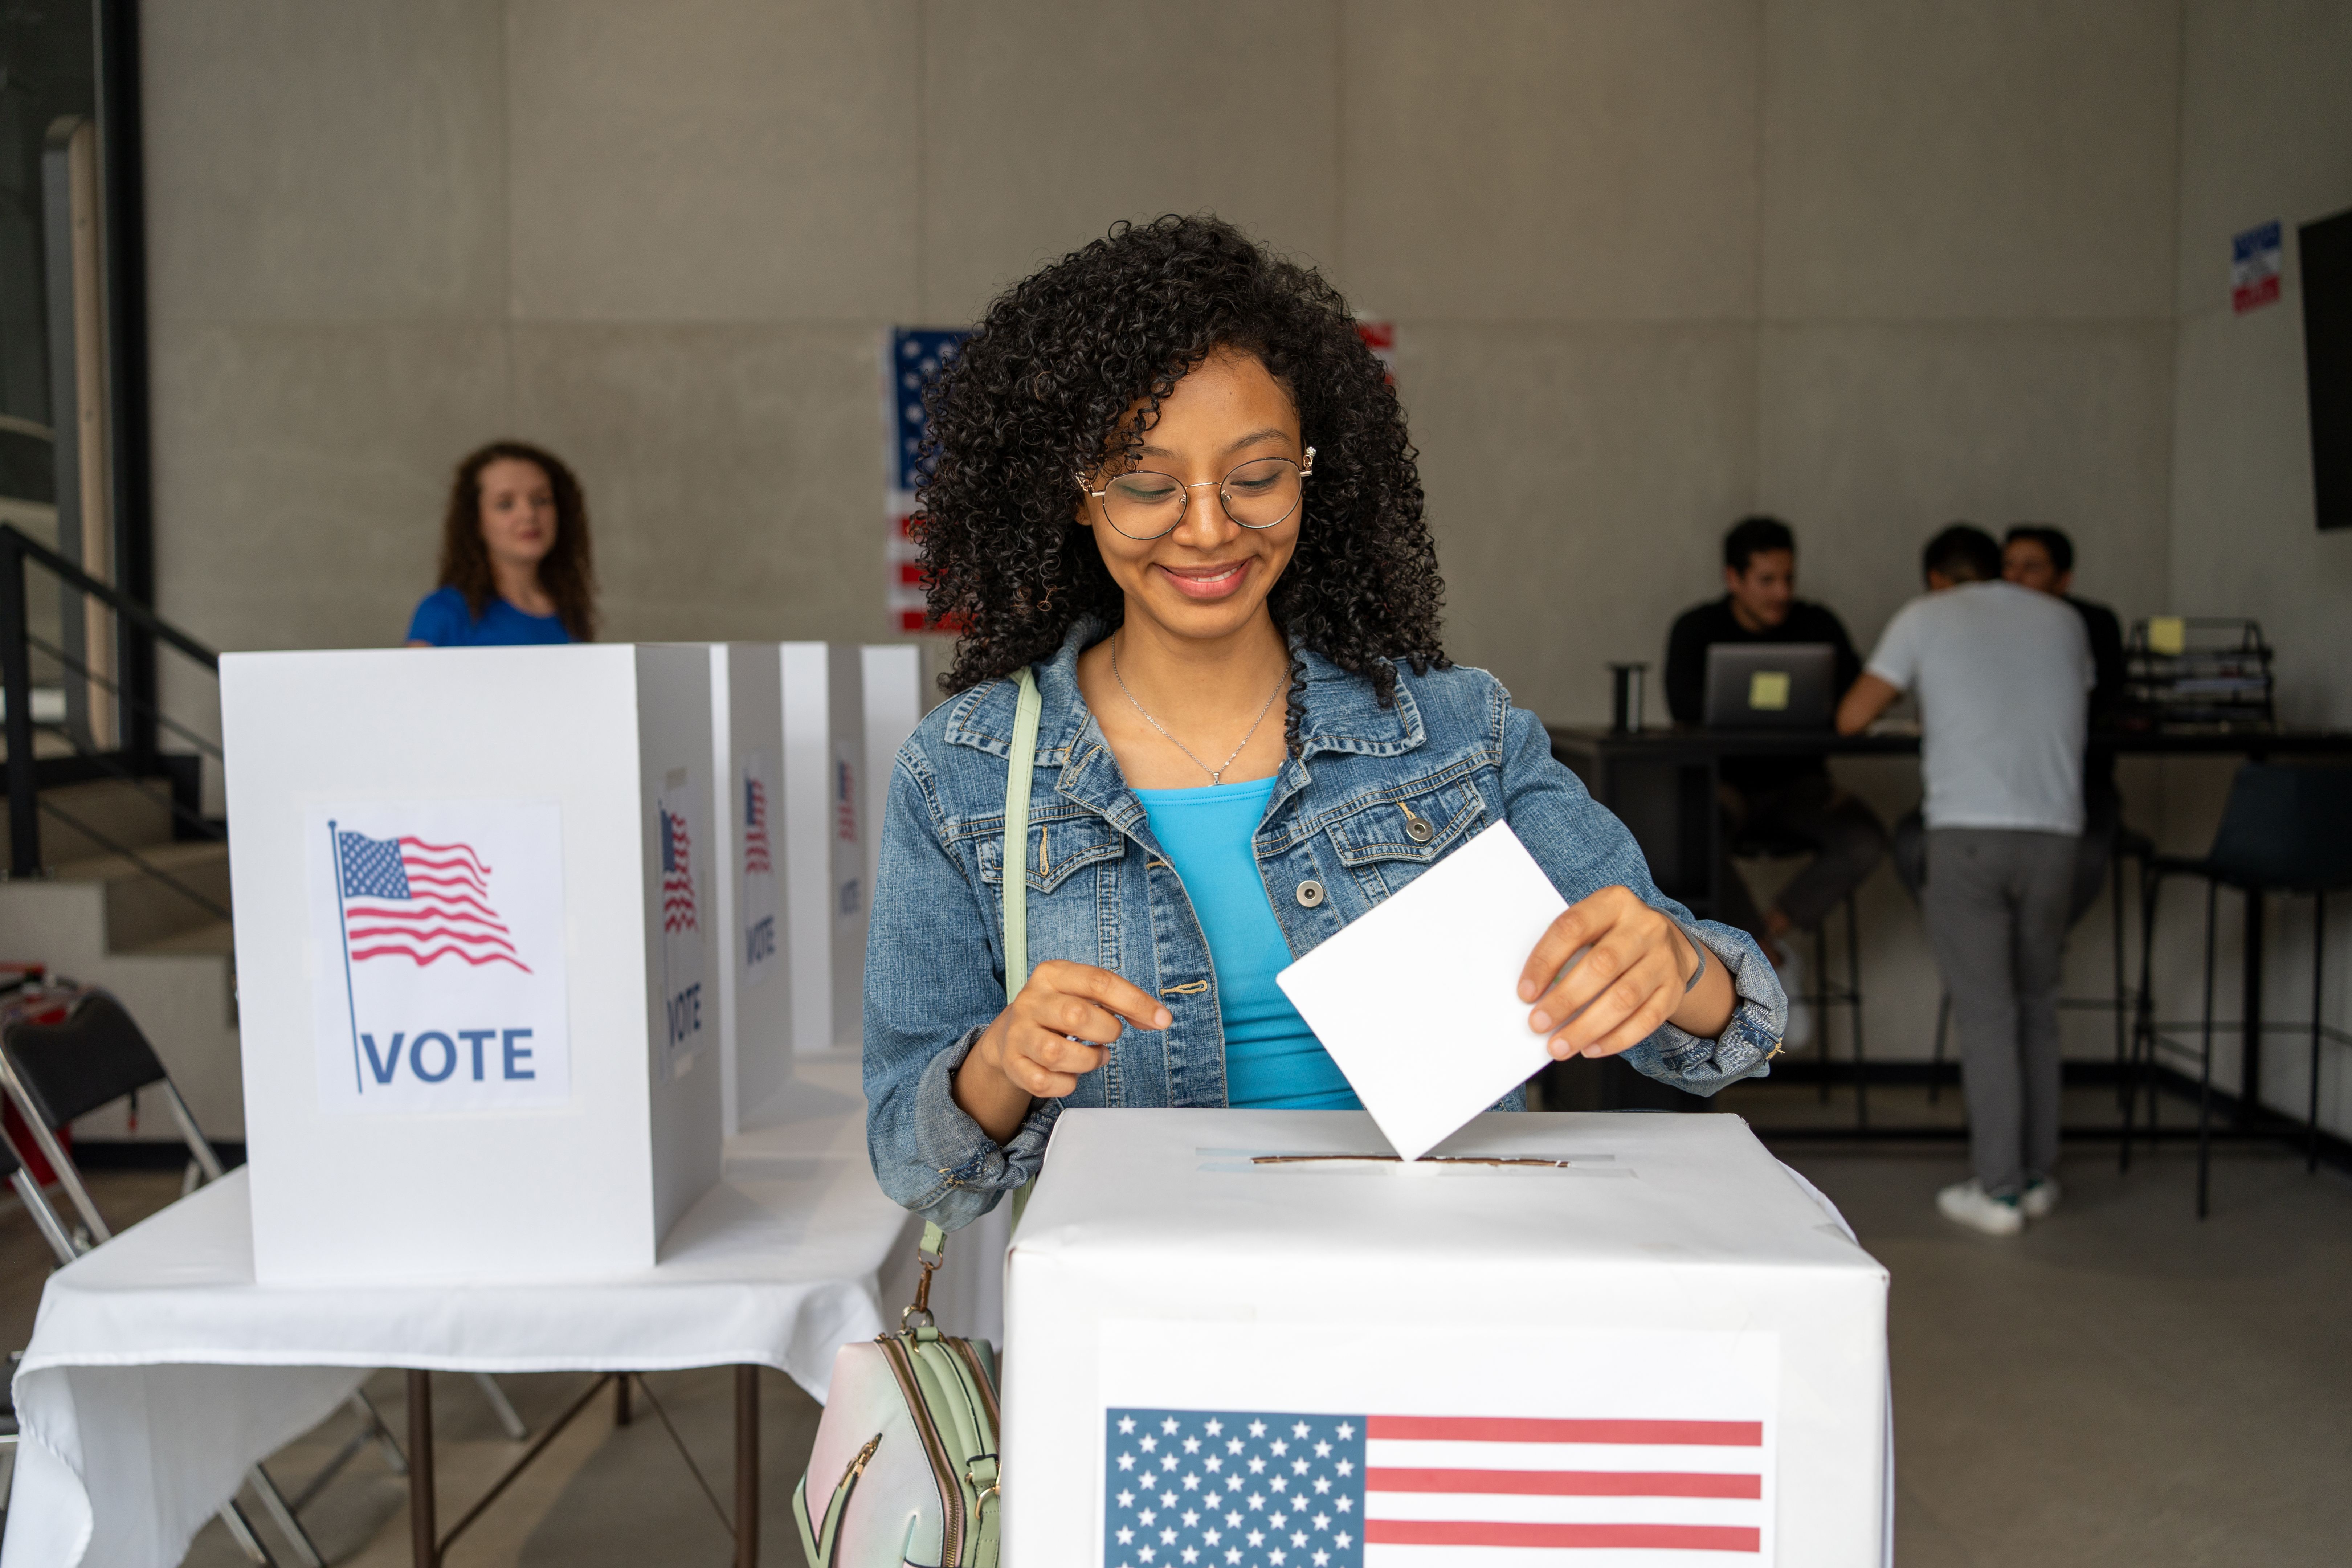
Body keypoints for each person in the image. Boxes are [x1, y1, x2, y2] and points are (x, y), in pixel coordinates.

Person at [862, 216, 1785, 1232]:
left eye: (1255, 478)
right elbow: (915, 1164)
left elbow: (1718, 1033)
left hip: (1438, 1301)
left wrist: (1675, 969)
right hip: (1151, 1336)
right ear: (1074, 495)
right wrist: (1001, 1063)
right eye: (1144, 484)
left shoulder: (1457, 737)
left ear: (1313, 472)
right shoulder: (963, 777)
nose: (1209, 527)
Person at [1838, 524, 2092, 1236]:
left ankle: (1999, 1190)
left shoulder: (1926, 617)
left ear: (1941, 580)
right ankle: (2039, 1176)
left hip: (1970, 833)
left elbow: (1852, 716)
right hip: (2057, 833)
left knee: (1987, 1015)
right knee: (2038, 1003)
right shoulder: (2066, 619)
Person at [1664, 516, 1887, 961]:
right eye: (1767, 581)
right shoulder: (1695, 629)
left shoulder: (1819, 624)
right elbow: (1683, 709)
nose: (1782, 594)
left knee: (1865, 839)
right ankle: (1762, 961)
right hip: (1725, 788)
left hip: (1804, 788)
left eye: (1788, 579)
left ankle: (1765, 943)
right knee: (1691, 833)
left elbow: (1855, 701)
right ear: (1734, 579)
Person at [2005, 524, 2128, 919]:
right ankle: (1995, 960)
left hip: (2077, 783)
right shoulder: (1984, 627)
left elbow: (2109, 698)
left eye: (2031, 568)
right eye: (2007, 566)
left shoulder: (2090, 624)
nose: (2015, 578)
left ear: (2063, 580)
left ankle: (2033, 950)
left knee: (2085, 854)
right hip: (2003, 784)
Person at [407, 441, 597, 646]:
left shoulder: (571, 614)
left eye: (541, 500)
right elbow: (411, 679)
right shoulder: (444, 612)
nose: (529, 514)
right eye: (505, 504)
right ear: (476, 522)